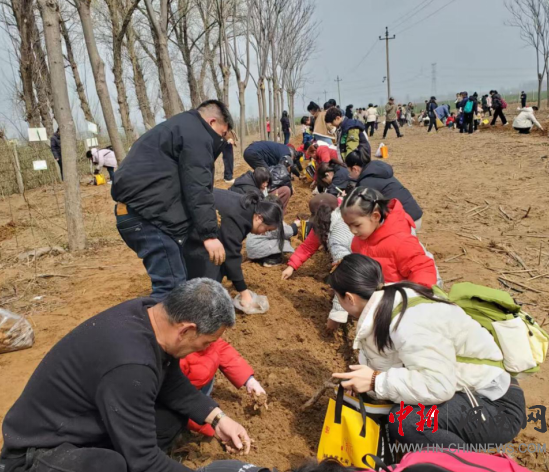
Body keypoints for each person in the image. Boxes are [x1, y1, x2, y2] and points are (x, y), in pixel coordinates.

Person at [0, 279, 252, 472]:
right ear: (186, 330)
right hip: (38, 452)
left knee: (171, 419)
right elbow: (145, 461)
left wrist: (218, 419)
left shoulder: (151, 316)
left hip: (83, 421)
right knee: (110, 466)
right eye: (206, 342)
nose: (204, 349)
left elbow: (172, 383)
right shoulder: (131, 364)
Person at [331, 254, 525, 448]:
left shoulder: (411, 322)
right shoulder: (391, 300)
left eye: (338, 298)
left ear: (349, 298)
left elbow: (437, 385)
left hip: (495, 405)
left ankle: (465, 462)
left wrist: (376, 381)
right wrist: (368, 382)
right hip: (466, 392)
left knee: (406, 421)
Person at [112, 100, 232, 301]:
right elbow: (198, 186)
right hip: (147, 218)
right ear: (212, 122)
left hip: (140, 213)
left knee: (177, 281)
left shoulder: (180, 127)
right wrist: (209, 235)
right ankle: (157, 321)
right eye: (222, 133)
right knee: (170, 289)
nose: (221, 139)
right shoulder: (197, 134)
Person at [184, 190, 283, 308]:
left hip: (200, 225)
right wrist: (244, 293)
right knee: (209, 271)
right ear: (259, 218)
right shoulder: (238, 218)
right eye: (266, 229)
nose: (264, 233)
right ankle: (195, 303)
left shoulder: (248, 209)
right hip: (189, 227)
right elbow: (231, 255)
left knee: (218, 260)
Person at [281, 194, 353, 331]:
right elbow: (308, 246)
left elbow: (346, 273)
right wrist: (291, 266)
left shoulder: (338, 237)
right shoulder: (332, 220)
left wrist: (336, 316)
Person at [340, 187, 437, 287]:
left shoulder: (401, 242)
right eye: (348, 225)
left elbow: (422, 269)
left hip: (398, 295)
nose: (352, 231)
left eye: (357, 225)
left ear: (375, 216)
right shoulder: (359, 240)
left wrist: (416, 293)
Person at [181, 337, 266, 437]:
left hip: (197, 385)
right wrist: (212, 428)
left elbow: (220, 348)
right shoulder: (178, 357)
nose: (211, 343)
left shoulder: (207, 337)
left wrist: (249, 381)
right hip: (180, 400)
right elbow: (181, 399)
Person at [345, 151, 423, 227]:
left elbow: (361, 210)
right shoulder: (378, 171)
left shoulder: (365, 183)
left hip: (406, 222)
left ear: (355, 169)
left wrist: (346, 198)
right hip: (415, 215)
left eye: (349, 172)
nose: (350, 175)